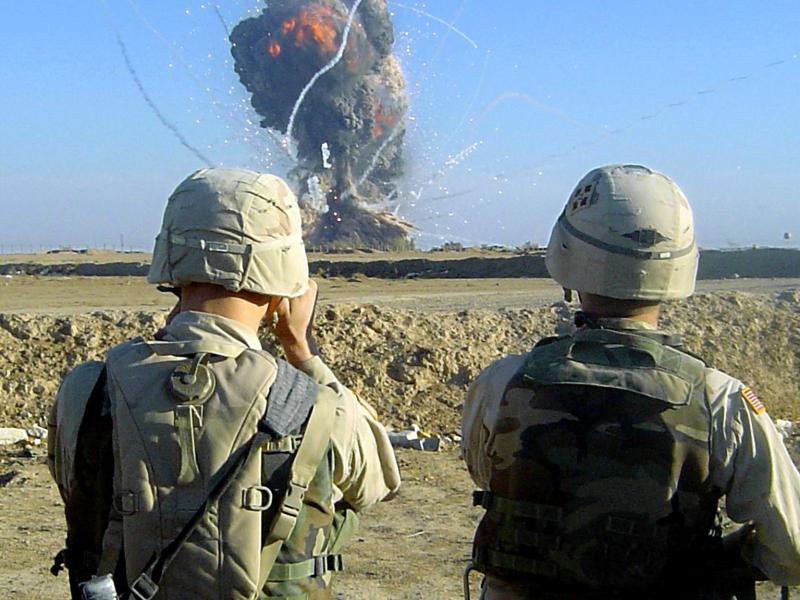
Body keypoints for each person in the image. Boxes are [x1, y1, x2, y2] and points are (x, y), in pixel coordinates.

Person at [48, 167, 401, 600]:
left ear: (172, 264)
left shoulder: (88, 389)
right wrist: (301, 351)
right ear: (286, 277)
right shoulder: (316, 404)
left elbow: (80, 491)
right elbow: (377, 483)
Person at [461, 164, 800, 599]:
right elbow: (791, 550)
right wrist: (729, 558)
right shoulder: (719, 400)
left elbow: (487, 473)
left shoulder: (504, 382)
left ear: (565, 256)